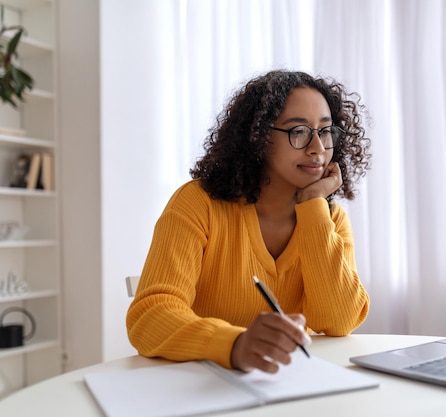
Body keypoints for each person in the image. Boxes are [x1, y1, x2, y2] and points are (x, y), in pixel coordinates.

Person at [126, 69, 372, 374]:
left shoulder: (330, 218)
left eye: (324, 131)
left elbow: (338, 321)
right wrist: (235, 344)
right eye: (298, 131)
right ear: (258, 137)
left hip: (288, 384)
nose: (318, 148)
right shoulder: (198, 203)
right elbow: (149, 317)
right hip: (202, 383)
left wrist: (312, 207)